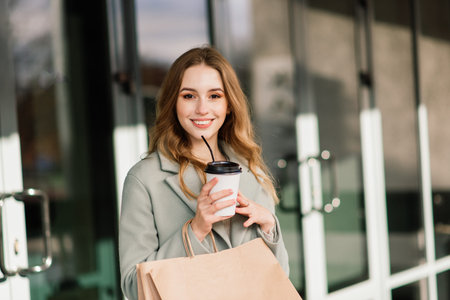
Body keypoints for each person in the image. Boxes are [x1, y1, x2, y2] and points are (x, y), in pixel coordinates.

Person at [119, 46, 289, 300]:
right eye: (189, 96)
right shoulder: (144, 179)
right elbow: (134, 287)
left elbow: (279, 278)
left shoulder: (250, 168)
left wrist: (269, 228)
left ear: (229, 104)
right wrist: (194, 231)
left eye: (214, 96)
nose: (202, 109)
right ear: (172, 103)